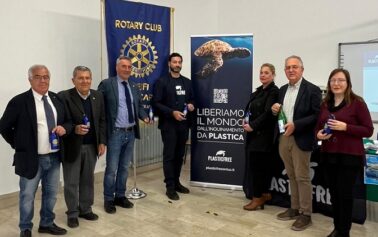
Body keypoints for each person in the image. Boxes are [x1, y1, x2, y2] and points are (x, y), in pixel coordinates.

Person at [0, 65, 71, 237]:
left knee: (52, 194)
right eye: (38, 76)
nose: (43, 80)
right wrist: (20, 146)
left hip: (54, 157)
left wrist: (64, 128)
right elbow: (4, 127)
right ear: (30, 79)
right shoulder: (19, 101)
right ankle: (25, 228)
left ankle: (46, 223)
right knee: (27, 196)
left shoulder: (56, 99)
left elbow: (68, 121)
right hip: (31, 159)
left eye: (46, 76)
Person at [316, 69, 373, 237]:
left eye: (341, 80)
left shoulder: (357, 103)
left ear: (348, 83)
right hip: (329, 155)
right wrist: (318, 134)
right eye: (333, 80)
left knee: (345, 196)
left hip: (349, 157)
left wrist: (346, 127)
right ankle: (337, 227)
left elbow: (368, 130)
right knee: (334, 195)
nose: (336, 83)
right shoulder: (325, 103)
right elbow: (318, 126)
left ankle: (344, 231)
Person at [271, 55, 321, 231]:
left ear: (302, 69)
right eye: (288, 67)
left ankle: (306, 214)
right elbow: (281, 114)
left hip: (301, 138)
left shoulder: (312, 90)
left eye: (294, 67)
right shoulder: (282, 90)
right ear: (284, 71)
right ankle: (294, 208)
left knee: (302, 177)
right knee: (291, 175)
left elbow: (317, 116)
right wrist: (274, 110)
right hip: (284, 138)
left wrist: (296, 125)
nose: (291, 70)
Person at [98, 56, 149, 214]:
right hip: (115, 134)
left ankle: (120, 196)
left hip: (130, 132)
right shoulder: (107, 84)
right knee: (112, 169)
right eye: (124, 66)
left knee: (124, 168)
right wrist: (101, 136)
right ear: (117, 67)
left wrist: (144, 116)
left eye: (129, 67)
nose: (127, 69)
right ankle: (108, 199)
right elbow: (99, 108)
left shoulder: (133, 85)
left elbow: (138, 105)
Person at [58, 66, 106, 228]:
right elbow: (61, 121)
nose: (85, 81)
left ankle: (85, 209)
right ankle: (72, 213)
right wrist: (74, 128)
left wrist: (102, 142)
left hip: (92, 146)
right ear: (73, 80)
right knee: (71, 182)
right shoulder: (64, 97)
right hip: (72, 146)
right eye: (81, 78)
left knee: (88, 179)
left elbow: (102, 121)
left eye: (87, 78)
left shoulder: (97, 96)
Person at [152, 52, 195, 201]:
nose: (177, 64)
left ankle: (177, 183)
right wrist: (172, 113)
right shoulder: (161, 82)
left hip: (183, 125)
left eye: (179, 62)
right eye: (174, 62)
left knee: (179, 155)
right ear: (169, 64)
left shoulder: (187, 82)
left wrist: (191, 105)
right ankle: (169, 187)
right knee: (169, 156)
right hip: (168, 125)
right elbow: (156, 103)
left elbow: (192, 100)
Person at [242, 63, 279, 211]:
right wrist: (245, 120)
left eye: (266, 73)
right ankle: (263, 195)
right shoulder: (259, 91)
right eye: (261, 72)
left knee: (258, 169)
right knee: (257, 167)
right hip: (253, 135)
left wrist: (253, 126)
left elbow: (268, 114)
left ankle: (257, 198)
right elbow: (250, 109)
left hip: (263, 137)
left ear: (273, 75)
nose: (263, 75)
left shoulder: (274, 92)